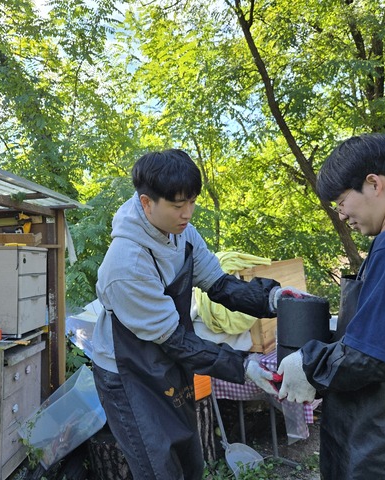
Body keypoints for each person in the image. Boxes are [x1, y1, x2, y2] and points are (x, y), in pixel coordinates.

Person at [91, 149, 303, 479]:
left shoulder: (182, 233)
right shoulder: (128, 264)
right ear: (147, 203)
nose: (187, 213)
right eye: (177, 205)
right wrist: (244, 366)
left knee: (189, 458)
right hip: (127, 372)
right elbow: (175, 340)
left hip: (167, 358)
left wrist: (273, 298)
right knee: (158, 467)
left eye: (191, 202)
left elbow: (218, 285)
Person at [277, 133, 385, 479]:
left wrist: (310, 364)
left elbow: (379, 354)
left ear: (373, 184)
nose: (342, 215)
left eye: (342, 201)